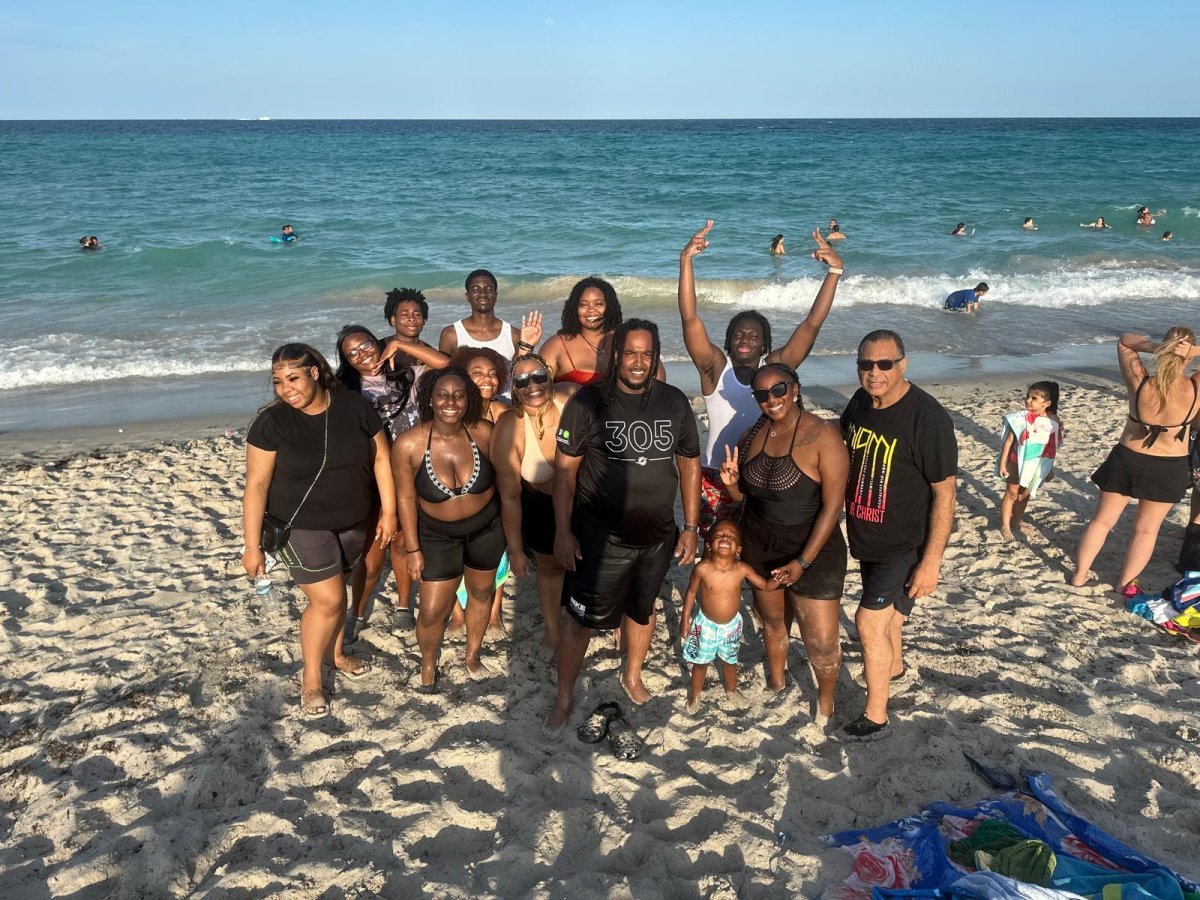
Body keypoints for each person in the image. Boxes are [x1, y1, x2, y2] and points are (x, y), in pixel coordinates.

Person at [546, 318, 701, 731]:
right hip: (600, 539)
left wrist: (691, 526)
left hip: (657, 536)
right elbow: (564, 474)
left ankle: (632, 676)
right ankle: (564, 696)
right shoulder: (587, 402)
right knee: (580, 621)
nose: (637, 362)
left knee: (642, 610)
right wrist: (563, 531)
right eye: (630, 353)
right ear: (616, 355)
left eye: (646, 354)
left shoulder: (674, 401)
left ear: (656, 357)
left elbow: (689, 462)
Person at [243, 343, 396, 717]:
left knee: (339, 591)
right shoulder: (272, 422)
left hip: (353, 520)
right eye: (278, 381)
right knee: (328, 600)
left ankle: (336, 653)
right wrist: (251, 546)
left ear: (314, 373)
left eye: (293, 378)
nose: (286, 389)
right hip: (299, 525)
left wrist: (389, 511)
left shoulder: (355, 407)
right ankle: (311, 677)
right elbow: (256, 484)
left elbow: (381, 459)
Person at [677, 220, 844, 536]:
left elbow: (811, 325)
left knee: (752, 547)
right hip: (714, 475)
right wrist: (686, 260)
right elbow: (690, 318)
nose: (745, 339)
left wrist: (834, 272)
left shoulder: (776, 371)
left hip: (760, 476)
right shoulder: (715, 369)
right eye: (739, 334)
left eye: (754, 336)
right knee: (715, 551)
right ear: (728, 342)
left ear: (764, 344)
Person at [841, 330, 958, 738]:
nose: (874, 373)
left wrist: (931, 562)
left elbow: (945, 493)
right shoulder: (860, 403)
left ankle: (876, 717)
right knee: (889, 618)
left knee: (868, 622)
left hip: (906, 544)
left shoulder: (927, 417)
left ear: (903, 364)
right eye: (866, 364)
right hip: (868, 538)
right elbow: (840, 446)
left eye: (885, 364)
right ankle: (894, 668)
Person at [717, 362, 849, 715]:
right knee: (773, 622)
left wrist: (803, 562)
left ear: (794, 389)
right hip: (760, 542)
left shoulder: (823, 436)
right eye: (762, 394)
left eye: (778, 390)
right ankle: (777, 682)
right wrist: (732, 485)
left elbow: (832, 508)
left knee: (821, 643)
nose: (771, 399)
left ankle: (825, 704)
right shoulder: (752, 436)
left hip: (814, 547)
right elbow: (745, 499)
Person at [391, 367, 506, 689]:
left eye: (458, 395)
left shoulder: (484, 432)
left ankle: (472, 655)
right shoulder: (408, 445)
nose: (451, 402)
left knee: (480, 594)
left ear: (469, 399)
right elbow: (405, 498)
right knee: (431, 611)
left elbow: (508, 483)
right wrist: (413, 549)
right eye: (442, 395)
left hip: (488, 529)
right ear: (430, 399)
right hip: (437, 535)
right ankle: (428, 663)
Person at [1071, 328, 1200, 593]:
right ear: (1188, 357)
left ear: (1164, 348)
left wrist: (1155, 347)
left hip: (1127, 458)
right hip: (1168, 466)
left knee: (1102, 521)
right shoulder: (1195, 387)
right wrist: (1194, 351)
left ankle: (1079, 575)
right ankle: (1123, 585)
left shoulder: (1139, 379)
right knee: (1146, 530)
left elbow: (1125, 340)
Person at [334, 325, 416, 643]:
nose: (361, 354)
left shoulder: (407, 374)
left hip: (408, 473)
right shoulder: (344, 391)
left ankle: (404, 605)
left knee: (402, 542)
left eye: (365, 345)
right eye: (351, 353)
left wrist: (399, 345)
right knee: (372, 554)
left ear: (377, 342)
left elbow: (446, 365)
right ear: (346, 361)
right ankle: (357, 611)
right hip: (369, 478)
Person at [493, 352, 575, 656]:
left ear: (550, 377)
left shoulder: (572, 399)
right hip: (541, 506)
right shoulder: (509, 427)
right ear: (514, 389)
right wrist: (515, 549)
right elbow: (510, 496)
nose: (533, 385)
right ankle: (553, 632)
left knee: (595, 564)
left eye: (539, 376)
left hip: (585, 500)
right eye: (522, 380)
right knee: (551, 570)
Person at [445, 346, 511, 633]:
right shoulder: (450, 412)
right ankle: (458, 615)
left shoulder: (502, 411)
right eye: (478, 373)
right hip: (454, 497)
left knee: (498, 556)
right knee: (453, 558)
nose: (488, 379)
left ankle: (495, 613)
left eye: (493, 373)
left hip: (493, 495)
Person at [679, 518, 768, 715]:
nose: (725, 537)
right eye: (719, 535)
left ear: (739, 549)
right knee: (700, 663)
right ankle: (695, 695)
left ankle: (731, 690)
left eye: (731, 536)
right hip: (705, 625)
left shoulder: (742, 568)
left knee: (730, 661)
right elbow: (691, 593)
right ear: (709, 545)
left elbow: (764, 584)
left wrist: (780, 579)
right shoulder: (702, 568)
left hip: (732, 626)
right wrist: (685, 620)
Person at [538, 276, 664, 390]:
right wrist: (528, 346)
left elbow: (658, 382)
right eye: (584, 305)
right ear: (575, 309)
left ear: (609, 307)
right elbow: (535, 387)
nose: (591, 310)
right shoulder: (557, 344)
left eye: (598, 304)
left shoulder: (625, 339)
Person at [996, 381, 1064, 541]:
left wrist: (1049, 469)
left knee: (1023, 496)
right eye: (1027, 396)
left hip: (1035, 465)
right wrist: (1002, 464)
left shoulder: (1053, 421)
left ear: (1046, 403)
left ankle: (1016, 521)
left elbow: (1051, 448)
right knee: (1011, 493)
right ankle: (1005, 525)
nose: (1028, 400)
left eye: (1033, 398)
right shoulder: (1020, 418)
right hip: (1015, 462)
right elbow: (1009, 442)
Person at [377, 287, 449, 436]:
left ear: (424, 320)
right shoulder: (379, 349)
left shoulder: (428, 353)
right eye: (404, 314)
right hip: (383, 421)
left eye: (417, 314)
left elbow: (446, 364)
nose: (412, 318)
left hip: (418, 424)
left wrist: (397, 344)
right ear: (392, 319)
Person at [438, 269, 521, 358]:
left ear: (495, 296)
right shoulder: (451, 335)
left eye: (489, 289)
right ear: (467, 296)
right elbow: (442, 365)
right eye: (475, 289)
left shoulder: (514, 336)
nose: (483, 294)